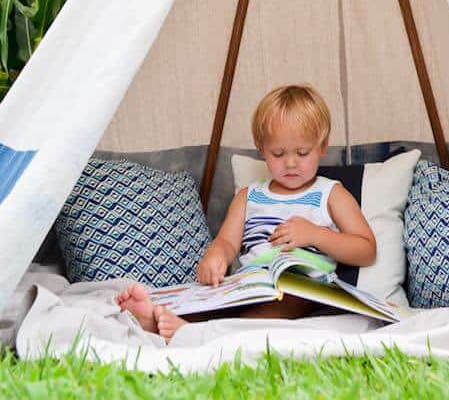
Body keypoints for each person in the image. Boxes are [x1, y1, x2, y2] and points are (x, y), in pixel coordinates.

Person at [117, 84, 376, 340]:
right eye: (278, 153)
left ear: (322, 146)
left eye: (302, 152)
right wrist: (216, 255)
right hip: (249, 284)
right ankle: (157, 318)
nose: (290, 162)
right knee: (217, 297)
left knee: (288, 297)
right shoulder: (248, 196)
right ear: (261, 148)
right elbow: (227, 242)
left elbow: (366, 249)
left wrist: (316, 235)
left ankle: (212, 333)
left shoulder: (330, 194)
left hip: (302, 285)